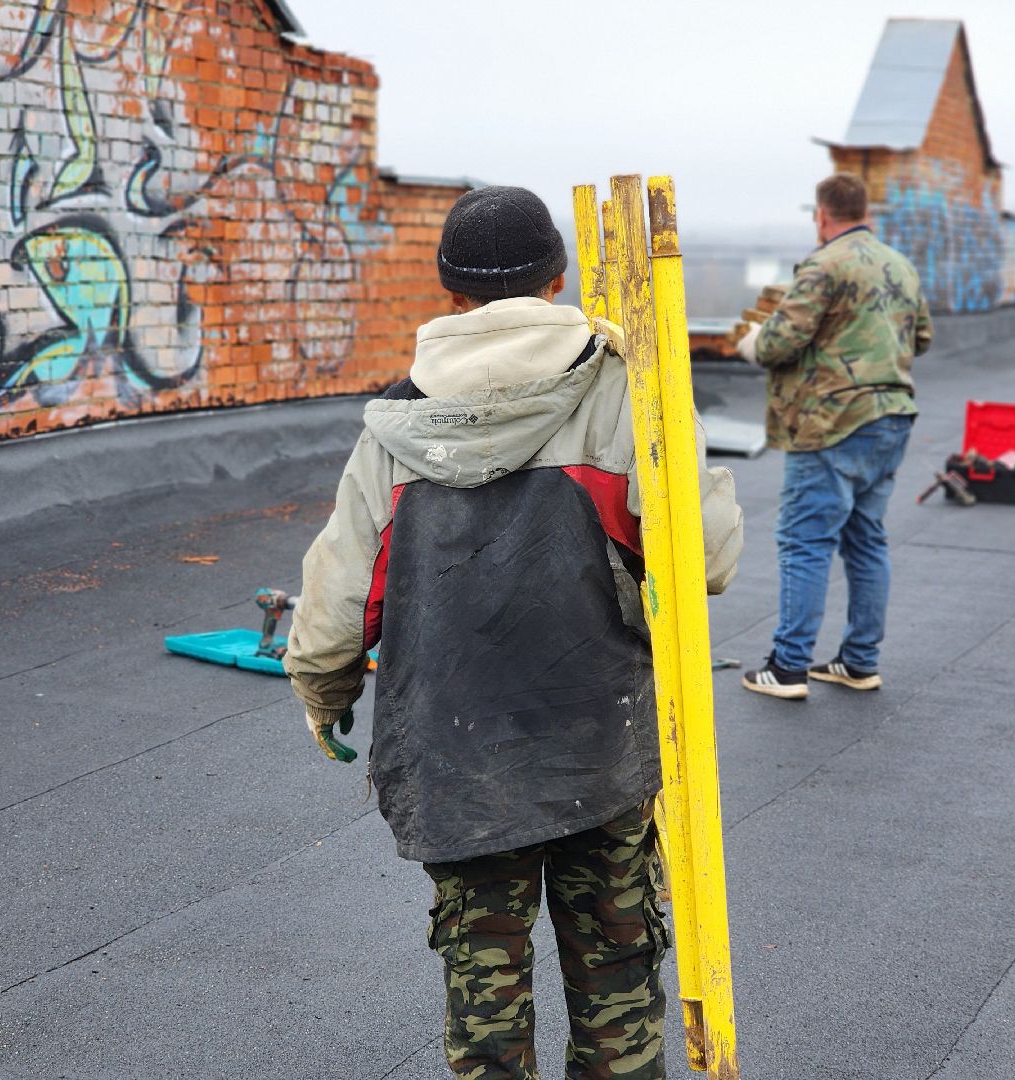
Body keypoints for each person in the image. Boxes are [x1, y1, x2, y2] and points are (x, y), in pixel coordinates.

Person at [284, 185, 743, 1079]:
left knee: (483, 998)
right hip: (598, 747)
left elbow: (339, 603)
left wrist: (324, 694)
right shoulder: (625, 391)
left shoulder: (395, 422)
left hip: (455, 759)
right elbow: (707, 558)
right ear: (558, 278)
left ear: (449, 294)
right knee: (617, 976)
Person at [735, 172, 932, 701]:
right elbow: (923, 337)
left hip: (831, 423)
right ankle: (859, 661)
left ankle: (788, 666)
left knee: (805, 541)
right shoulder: (901, 265)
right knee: (867, 539)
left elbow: (779, 344)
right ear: (865, 212)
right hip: (892, 417)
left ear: (821, 216)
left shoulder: (823, 265)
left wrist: (753, 341)